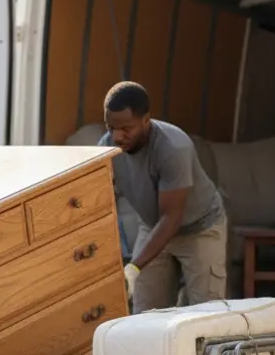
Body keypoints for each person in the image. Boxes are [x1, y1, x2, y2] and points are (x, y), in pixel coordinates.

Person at [98, 81, 228, 313]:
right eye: (110, 127)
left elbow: (172, 217)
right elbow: (98, 202)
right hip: (152, 226)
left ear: (146, 120)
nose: (117, 136)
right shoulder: (107, 148)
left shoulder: (173, 148)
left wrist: (134, 267)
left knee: (207, 314)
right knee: (144, 315)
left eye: (126, 129)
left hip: (199, 228)